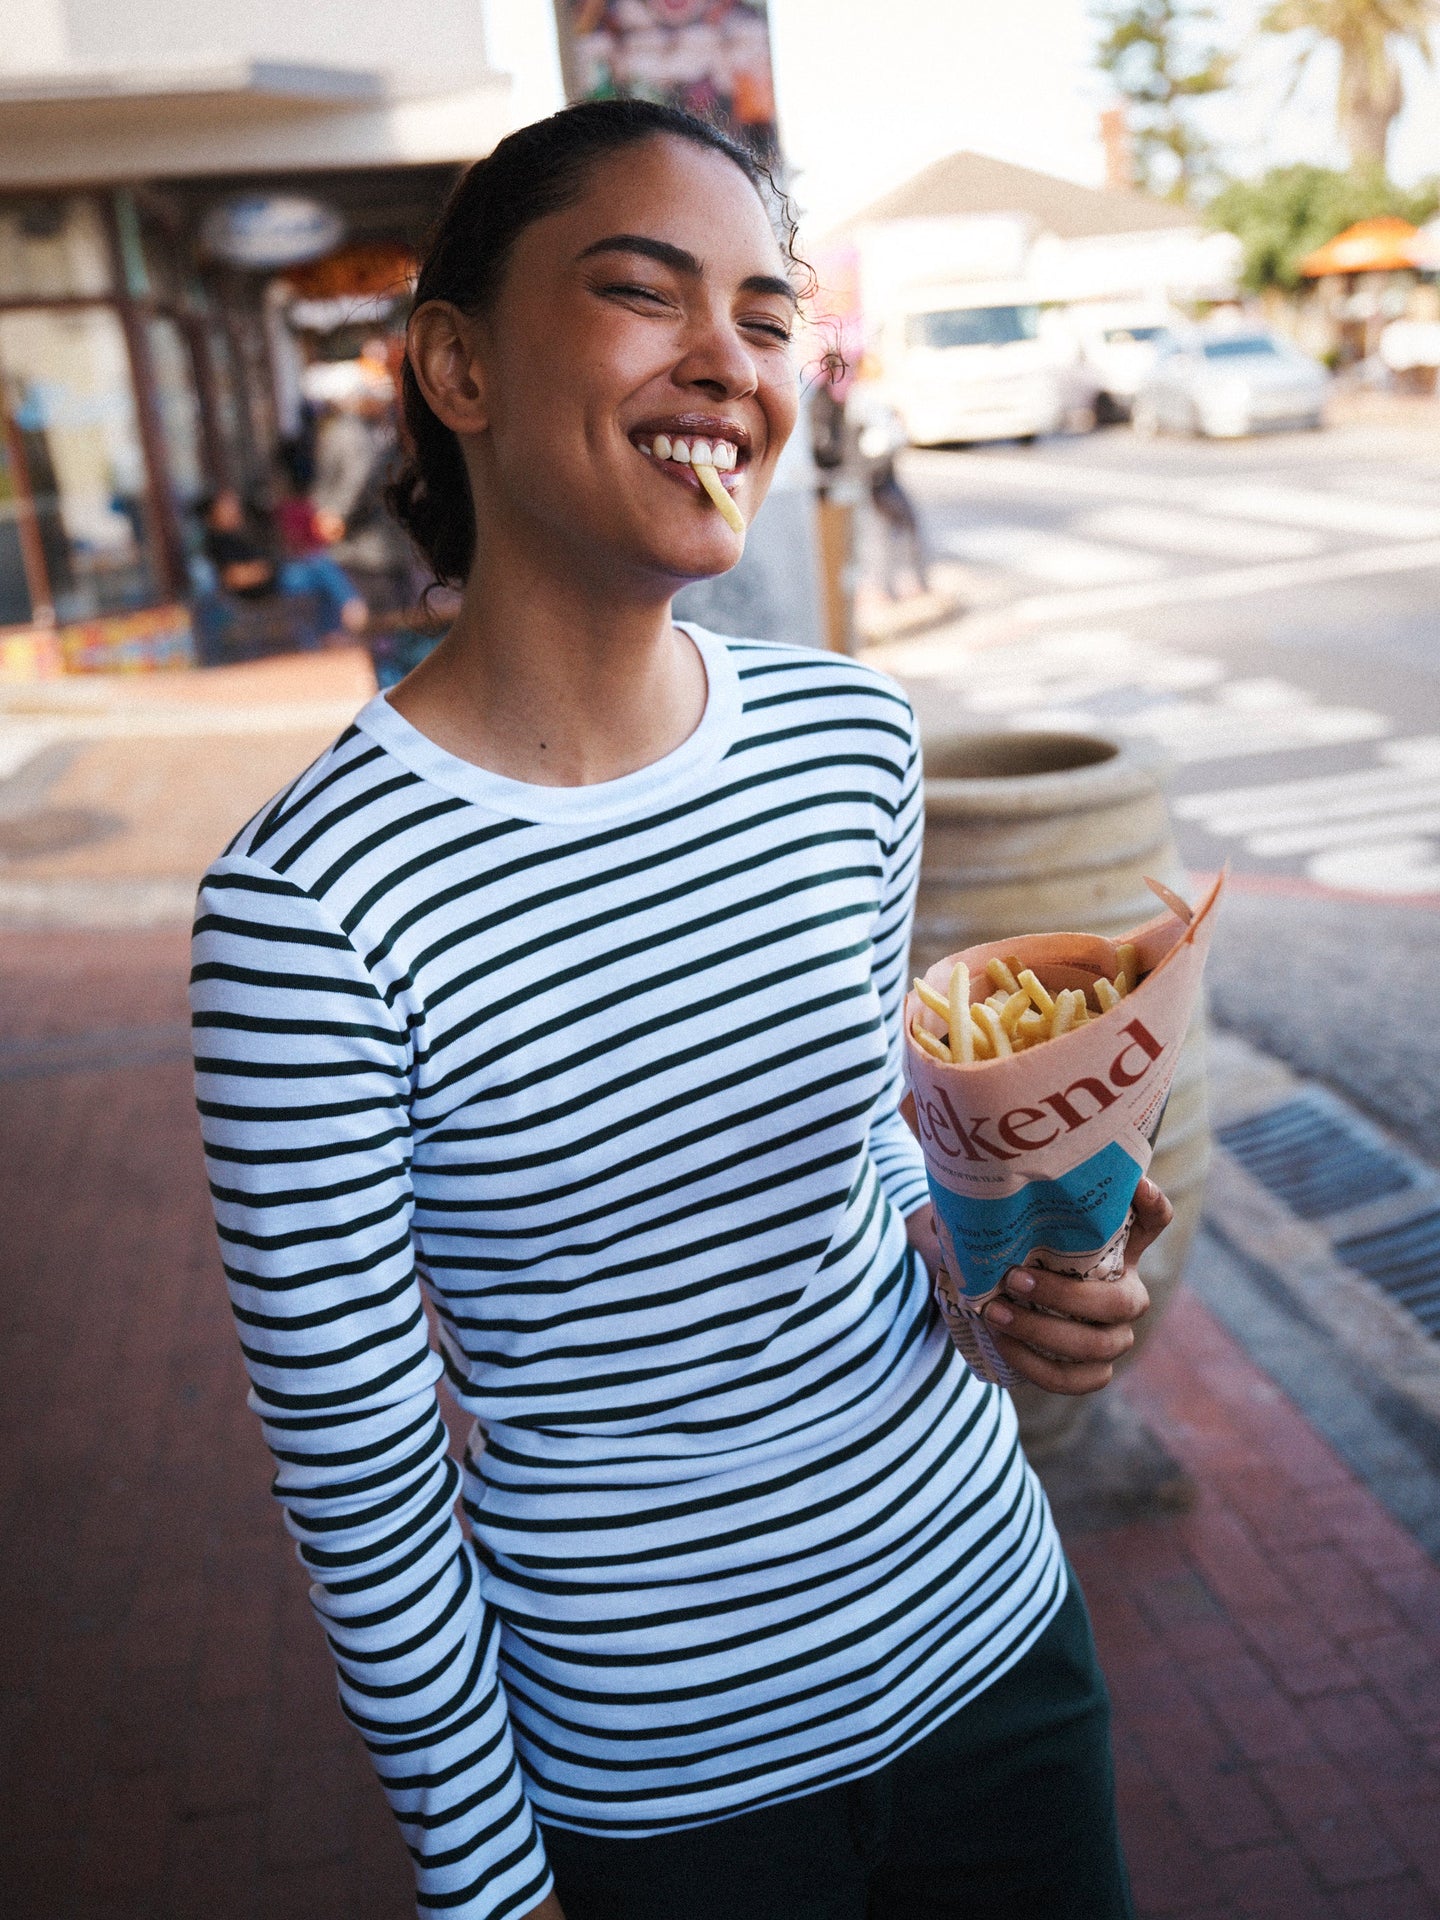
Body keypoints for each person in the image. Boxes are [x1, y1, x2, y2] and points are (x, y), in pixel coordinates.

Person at [190, 100, 1170, 1920]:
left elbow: (878, 1163)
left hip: (994, 1639)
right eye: (646, 295)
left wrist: (1013, 1271)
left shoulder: (849, 745)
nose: (730, 362)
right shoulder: (304, 909)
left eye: (769, 315)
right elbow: (362, 1476)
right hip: (666, 1784)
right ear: (458, 364)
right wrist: (491, 1889)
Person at [198, 485, 368, 642]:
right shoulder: (217, 542)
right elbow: (234, 577)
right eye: (227, 506)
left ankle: (336, 624)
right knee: (320, 566)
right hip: (265, 588)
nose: (234, 509)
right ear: (214, 512)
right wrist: (267, 568)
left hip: (277, 576)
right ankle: (349, 608)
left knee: (320, 567)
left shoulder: (243, 531)